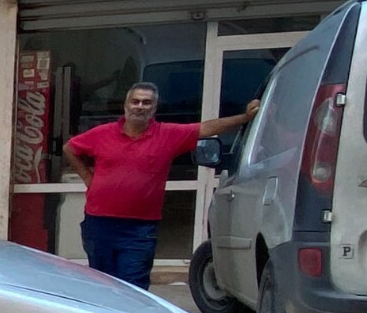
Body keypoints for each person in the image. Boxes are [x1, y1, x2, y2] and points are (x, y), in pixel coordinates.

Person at [61, 82, 256, 289]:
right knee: (102, 285)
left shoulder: (167, 135)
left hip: (139, 229)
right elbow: (69, 148)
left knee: (134, 287)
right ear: (126, 105)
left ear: (154, 109)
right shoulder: (102, 133)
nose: (140, 106)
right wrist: (87, 177)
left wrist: (244, 118)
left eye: (147, 102)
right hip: (99, 223)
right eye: (135, 101)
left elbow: (207, 128)